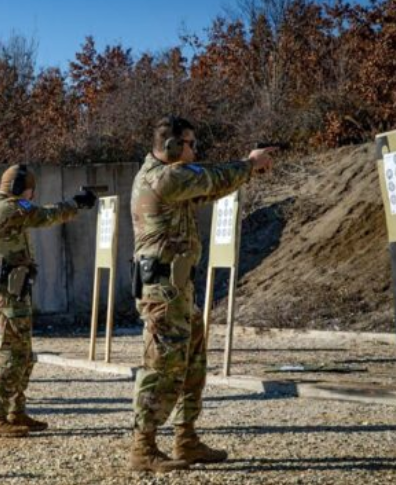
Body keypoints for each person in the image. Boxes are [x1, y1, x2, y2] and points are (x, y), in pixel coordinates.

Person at [129, 116, 275, 473]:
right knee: (162, 368)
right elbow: (209, 178)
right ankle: (142, 448)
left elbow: (209, 188)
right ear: (172, 146)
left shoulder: (170, 177)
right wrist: (249, 164)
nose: (195, 150)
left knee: (193, 365)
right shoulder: (162, 177)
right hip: (163, 290)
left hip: (177, 288)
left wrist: (247, 171)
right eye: (191, 144)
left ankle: (186, 438)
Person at [0, 165, 96, 437]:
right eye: (29, 192)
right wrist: (76, 204)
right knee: (11, 354)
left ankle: (15, 411)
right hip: (8, 291)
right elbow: (44, 215)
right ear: (21, 189)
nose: (31, 197)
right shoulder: (6, 208)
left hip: (12, 289)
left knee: (23, 354)